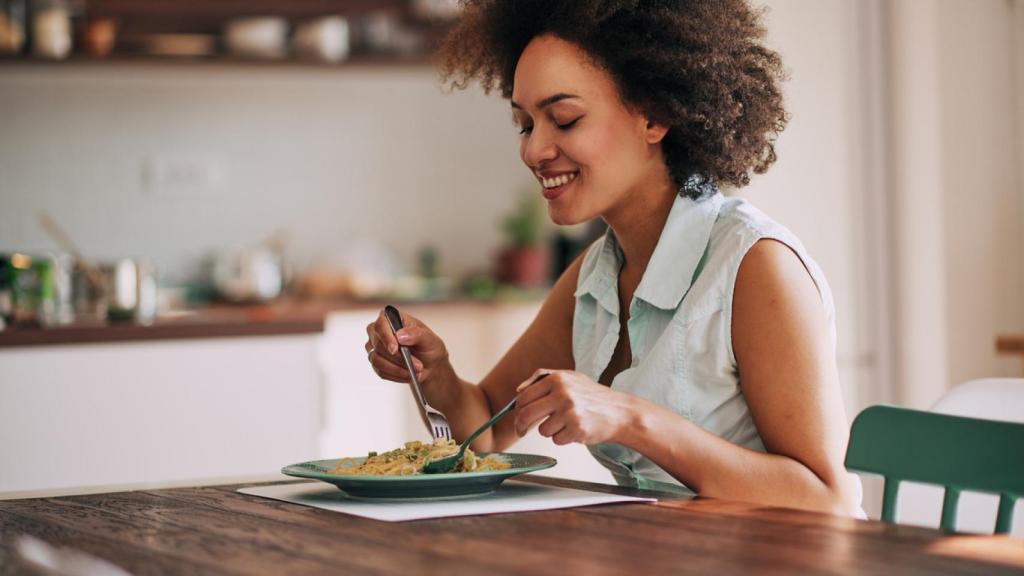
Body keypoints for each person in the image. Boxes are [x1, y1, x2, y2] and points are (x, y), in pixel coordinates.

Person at [365, 0, 863, 515]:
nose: (534, 150)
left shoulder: (755, 267)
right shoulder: (595, 276)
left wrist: (630, 418)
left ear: (655, 115)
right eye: (525, 124)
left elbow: (827, 498)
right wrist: (435, 372)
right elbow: (487, 430)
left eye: (564, 119)